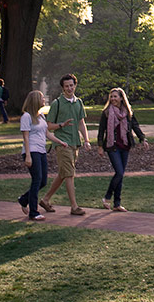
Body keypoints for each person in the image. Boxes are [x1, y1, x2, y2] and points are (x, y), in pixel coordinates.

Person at [39, 73, 91, 215]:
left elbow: (81, 123)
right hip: (62, 144)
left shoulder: (78, 102)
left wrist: (86, 140)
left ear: (75, 85)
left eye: (71, 85)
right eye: (66, 86)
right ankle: (74, 207)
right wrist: (61, 125)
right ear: (62, 88)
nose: (69, 88)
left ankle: (45, 199)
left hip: (75, 143)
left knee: (63, 174)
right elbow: (48, 126)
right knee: (69, 175)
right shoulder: (57, 103)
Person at [17, 90, 68, 221]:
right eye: (41, 98)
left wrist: (60, 142)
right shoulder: (26, 117)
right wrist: (27, 155)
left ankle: (24, 199)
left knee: (43, 181)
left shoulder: (41, 116)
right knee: (37, 179)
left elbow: (47, 134)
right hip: (32, 151)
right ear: (35, 100)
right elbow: (26, 138)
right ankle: (33, 212)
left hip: (41, 151)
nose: (44, 100)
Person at [95, 87, 148, 212]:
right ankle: (107, 197)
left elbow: (135, 126)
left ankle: (117, 204)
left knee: (121, 175)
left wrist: (142, 139)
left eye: (115, 96)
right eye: (111, 97)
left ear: (121, 98)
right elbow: (101, 130)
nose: (113, 99)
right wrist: (100, 146)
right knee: (119, 172)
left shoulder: (128, 112)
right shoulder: (107, 112)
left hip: (125, 146)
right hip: (112, 146)